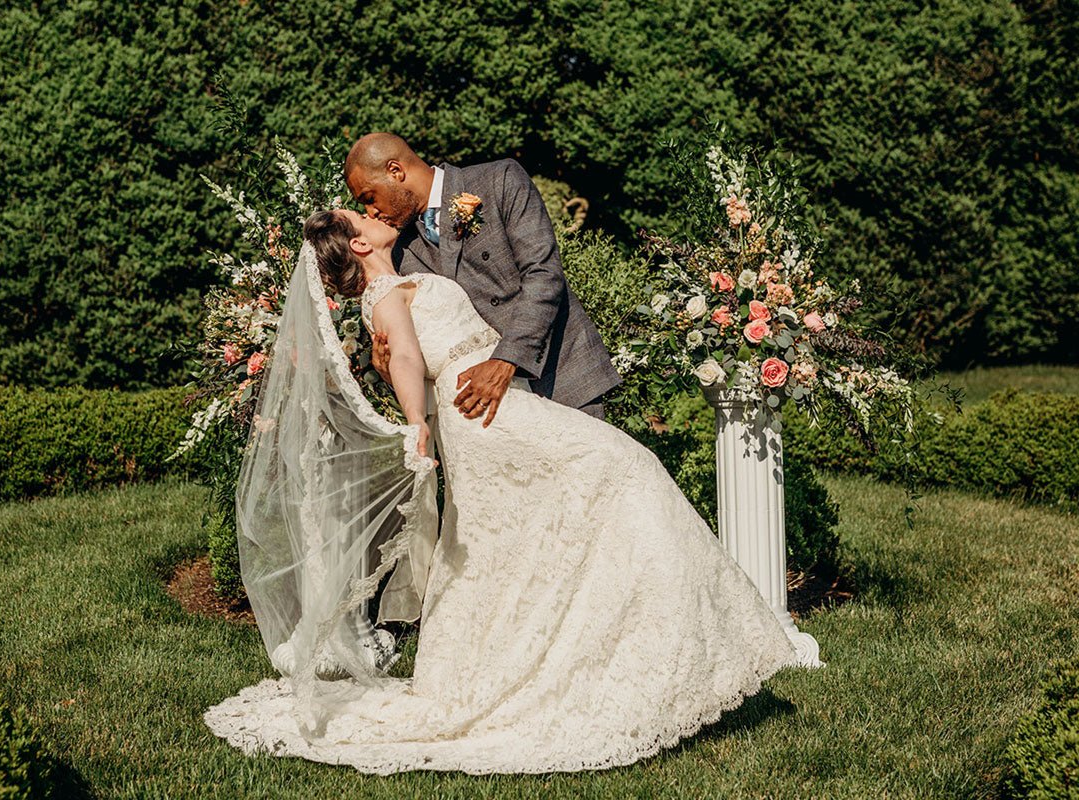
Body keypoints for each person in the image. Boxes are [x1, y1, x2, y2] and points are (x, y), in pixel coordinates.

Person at [202, 206, 802, 776]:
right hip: (484, 416)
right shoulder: (384, 298)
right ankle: (649, 653)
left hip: (497, 402)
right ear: (359, 245)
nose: (376, 215)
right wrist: (415, 425)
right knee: (621, 466)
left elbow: (412, 351)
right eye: (362, 217)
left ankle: (609, 656)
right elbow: (408, 359)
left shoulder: (401, 280)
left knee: (526, 540)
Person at [344, 132, 621, 424]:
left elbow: (543, 273)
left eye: (369, 197)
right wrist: (390, 369)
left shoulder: (499, 179)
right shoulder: (400, 252)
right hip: (488, 410)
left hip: (560, 376)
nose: (371, 212)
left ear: (395, 171)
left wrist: (507, 359)